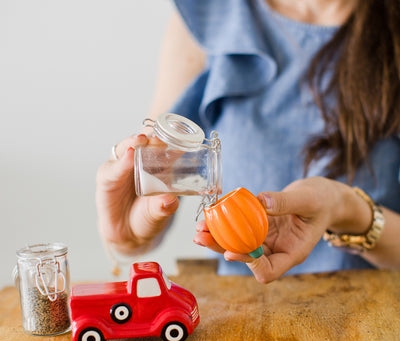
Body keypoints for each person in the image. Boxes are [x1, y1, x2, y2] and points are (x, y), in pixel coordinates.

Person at [96, 0, 400, 283]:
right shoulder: (210, 15)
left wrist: (347, 209)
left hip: (370, 315)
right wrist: (131, 237)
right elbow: (161, 177)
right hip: (238, 312)